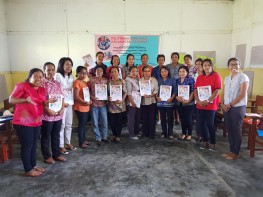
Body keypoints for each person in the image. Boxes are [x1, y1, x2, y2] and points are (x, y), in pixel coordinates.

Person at [9, 68, 56, 177]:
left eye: (41, 77)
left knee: (34, 145)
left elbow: (39, 103)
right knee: (27, 146)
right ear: (30, 77)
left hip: (36, 121)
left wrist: (47, 102)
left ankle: (33, 166)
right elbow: (11, 100)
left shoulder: (42, 89)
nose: (39, 79)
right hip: (23, 122)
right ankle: (28, 170)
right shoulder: (22, 86)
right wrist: (25, 100)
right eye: (35, 76)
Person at [221, 57, 249, 160]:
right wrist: (222, 104)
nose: (234, 66)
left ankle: (236, 152)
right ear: (228, 67)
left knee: (236, 129)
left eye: (236, 64)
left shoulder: (243, 76)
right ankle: (231, 150)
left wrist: (230, 105)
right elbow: (224, 92)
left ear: (239, 66)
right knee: (230, 129)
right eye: (232, 64)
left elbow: (242, 94)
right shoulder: (227, 78)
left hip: (238, 107)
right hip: (227, 107)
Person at [194, 59, 222, 151]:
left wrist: (209, 100)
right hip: (200, 104)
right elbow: (195, 90)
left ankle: (212, 142)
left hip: (211, 104)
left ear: (212, 66)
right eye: (204, 65)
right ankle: (205, 141)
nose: (206, 67)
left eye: (208, 65)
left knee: (210, 123)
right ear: (202, 67)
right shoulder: (199, 77)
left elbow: (217, 90)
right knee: (201, 123)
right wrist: (198, 100)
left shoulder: (216, 76)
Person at [41, 62, 66, 164]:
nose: (50, 72)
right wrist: (47, 109)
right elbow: (40, 99)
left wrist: (63, 108)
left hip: (58, 115)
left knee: (56, 134)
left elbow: (62, 97)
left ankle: (56, 154)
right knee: (46, 135)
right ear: (44, 71)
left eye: (52, 70)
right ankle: (47, 156)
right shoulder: (41, 83)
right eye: (48, 70)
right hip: (46, 115)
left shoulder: (57, 83)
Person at [54, 57, 76, 154]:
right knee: (61, 125)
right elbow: (56, 91)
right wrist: (62, 103)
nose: (69, 66)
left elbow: (71, 90)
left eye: (70, 65)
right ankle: (60, 145)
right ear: (61, 65)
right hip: (61, 104)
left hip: (70, 103)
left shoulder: (71, 76)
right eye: (67, 64)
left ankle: (68, 142)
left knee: (69, 124)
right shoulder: (57, 75)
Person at [88, 65, 108, 146]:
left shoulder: (106, 81)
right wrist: (91, 96)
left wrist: (107, 97)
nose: (99, 72)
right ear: (95, 72)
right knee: (95, 122)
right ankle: (98, 138)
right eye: (98, 71)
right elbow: (86, 91)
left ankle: (104, 137)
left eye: (101, 71)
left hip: (103, 104)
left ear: (103, 72)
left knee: (105, 122)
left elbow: (109, 91)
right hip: (94, 104)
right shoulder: (91, 81)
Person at [73, 66, 92, 149]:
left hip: (86, 107)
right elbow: (76, 97)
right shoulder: (76, 82)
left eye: (85, 73)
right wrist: (84, 102)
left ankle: (84, 140)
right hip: (80, 107)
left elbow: (87, 95)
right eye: (81, 73)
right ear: (77, 73)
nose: (83, 74)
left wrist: (90, 101)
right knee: (81, 125)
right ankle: (81, 142)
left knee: (84, 124)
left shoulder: (85, 82)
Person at [175, 66, 195, 141]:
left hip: (189, 103)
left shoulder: (191, 79)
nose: (181, 73)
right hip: (180, 103)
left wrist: (189, 100)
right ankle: (183, 133)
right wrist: (177, 97)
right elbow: (176, 91)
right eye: (180, 72)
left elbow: (193, 91)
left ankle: (189, 134)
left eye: (183, 71)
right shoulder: (177, 80)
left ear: (187, 72)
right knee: (182, 119)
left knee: (188, 118)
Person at [156, 66, 176, 139]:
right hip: (161, 102)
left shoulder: (172, 80)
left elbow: (175, 91)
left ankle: (170, 133)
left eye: (165, 71)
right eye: (162, 72)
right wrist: (157, 97)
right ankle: (164, 132)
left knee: (170, 117)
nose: (164, 73)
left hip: (169, 101)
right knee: (162, 117)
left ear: (168, 72)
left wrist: (171, 98)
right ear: (160, 73)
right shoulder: (158, 80)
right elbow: (155, 90)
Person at [108, 67, 127, 142]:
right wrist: (108, 97)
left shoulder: (122, 81)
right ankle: (114, 134)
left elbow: (125, 92)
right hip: (111, 105)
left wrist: (122, 99)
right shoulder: (108, 82)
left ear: (118, 73)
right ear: (110, 73)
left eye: (115, 72)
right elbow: (105, 92)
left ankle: (118, 135)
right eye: (112, 72)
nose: (114, 73)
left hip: (120, 104)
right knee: (112, 121)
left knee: (119, 121)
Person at [140, 66, 158, 138]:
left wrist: (151, 94)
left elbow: (156, 90)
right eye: (145, 71)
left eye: (148, 71)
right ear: (143, 72)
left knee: (151, 118)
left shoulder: (154, 80)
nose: (147, 72)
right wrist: (142, 94)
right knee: (144, 118)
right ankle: (144, 133)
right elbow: (139, 90)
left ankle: (152, 134)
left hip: (152, 101)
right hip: (143, 101)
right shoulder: (140, 80)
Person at [166, 52, 183, 125]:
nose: (174, 58)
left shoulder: (181, 65)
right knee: (171, 102)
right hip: (170, 86)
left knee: (178, 103)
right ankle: (172, 118)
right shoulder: (168, 66)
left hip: (180, 86)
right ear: (171, 58)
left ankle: (178, 118)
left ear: (178, 58)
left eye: (176, 57)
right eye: (173, 57)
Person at [126, 66, 141, 140]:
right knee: (131, 119)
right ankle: (131, 134)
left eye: (136, 71)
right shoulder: (128, 80)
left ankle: (136, 132)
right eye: (133, 71)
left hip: (137, 101)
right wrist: (132, 102)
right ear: (129, 72)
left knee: (136, 118)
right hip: (132, 102)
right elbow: (128, 93)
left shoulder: (137, 79)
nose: (135, 73)